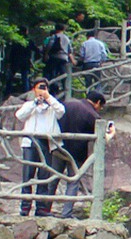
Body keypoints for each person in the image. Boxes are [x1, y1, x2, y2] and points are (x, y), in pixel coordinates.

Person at [54, 90, 114, 217]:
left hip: (59, 146)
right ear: (98, 103)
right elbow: (104, 138)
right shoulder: (92, 115)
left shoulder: (67, 104)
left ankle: (43, 209)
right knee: (73, 181)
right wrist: (112, 132)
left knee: (53, 178)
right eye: (100, 106)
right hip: (77, 152)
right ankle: (66, 213)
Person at [14, 77, 64, 215]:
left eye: (44, 87)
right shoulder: (30, 105)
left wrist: (49, 98)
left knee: (44, 174)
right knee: (28, 174)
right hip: (30, 142)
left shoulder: (52, 106)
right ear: (34, 89)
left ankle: (41, 207)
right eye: (39, 87)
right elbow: (20, 115)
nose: (42, 90)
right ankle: (25, 207)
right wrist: (35, 103)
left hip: (46, 142)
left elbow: (61, 111)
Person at [41, 25, 73, 94]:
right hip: (64, 58)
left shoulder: (54, 36)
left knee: (53, 73)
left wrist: (46, 54)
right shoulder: (66, 38)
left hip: (55, 57)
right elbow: (70, 49)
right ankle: (65, 88)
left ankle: (53, 89)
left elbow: (49, 45)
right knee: (62, 73)